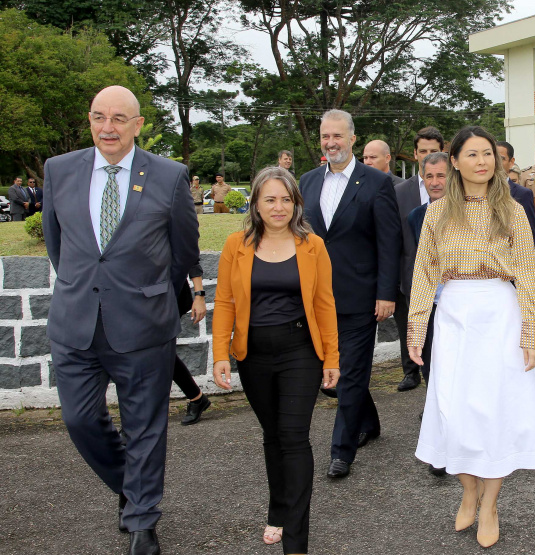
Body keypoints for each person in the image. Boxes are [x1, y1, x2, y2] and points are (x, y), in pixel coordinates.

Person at [42, 85, 199, 555]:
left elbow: (182, 253)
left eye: (118, 118)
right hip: (75, 324)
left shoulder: (169, 176)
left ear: (138, 124)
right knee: (80, 420)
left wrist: (152, 296)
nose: (107, 127)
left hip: (143, 326)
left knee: (145, 427)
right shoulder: (59, 170)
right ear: (89, 120)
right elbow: (58, 244)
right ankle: (132, 489)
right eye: (98, 117)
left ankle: (142, 522)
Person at [407, 126, 535, 549]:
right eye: (471, 154)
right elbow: (423, 273)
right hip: (453, 315)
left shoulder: (512, 209)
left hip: (500, 314)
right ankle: (468, 488)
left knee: (496, 413)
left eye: (488, 153)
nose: (482, 161)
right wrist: (417, 327)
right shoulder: (436, 213)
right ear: (454, 161)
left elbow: (527, 273)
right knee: (454, 411)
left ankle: (489, 503)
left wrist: (531, 333)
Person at [213, 166, 339, 554]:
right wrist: (220, 353)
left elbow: (324, 303)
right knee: (273, 436)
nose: (279, 206)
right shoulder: (237, 244)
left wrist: (331, 357)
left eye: (286, 199)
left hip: (299, 350)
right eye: (270, 199)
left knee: (294, 438)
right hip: (253, 354)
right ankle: (278, 510)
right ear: (255, 203)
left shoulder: (312, 244)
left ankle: (296, 543)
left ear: (296, 203)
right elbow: (224, 302)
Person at [299, 109, 401, 479]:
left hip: (359, 297)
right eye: (325, 137)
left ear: (353, 138)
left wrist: (386, 292)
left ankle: (341, 450)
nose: (330, 143)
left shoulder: (375, 182)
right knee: (338, 375)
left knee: (351, 372)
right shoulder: (307, 182)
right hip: (314, 298)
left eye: (337, 137)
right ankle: (369, 422)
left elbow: (389, 242)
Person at [394, 127, 444, 392]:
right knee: (421, 345)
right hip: (415, 284)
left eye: (433, 151)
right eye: (423, 152)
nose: (434, 181)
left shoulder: (465, 202)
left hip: (454, 290)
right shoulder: (403, 195)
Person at [173, 261, 211, 425]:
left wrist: (199, 295)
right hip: (134, 294)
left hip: (168, 294)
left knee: (160, 351)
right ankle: (197, 398)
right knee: (161, 352)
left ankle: (197, 398)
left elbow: (191, 258)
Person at [495, 140, 535, 237]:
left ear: (511, 162)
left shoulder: (522, 194)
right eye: (493, 157)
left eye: (501, 158)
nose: (496, 162)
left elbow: (529, 234)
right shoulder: (479, 190)